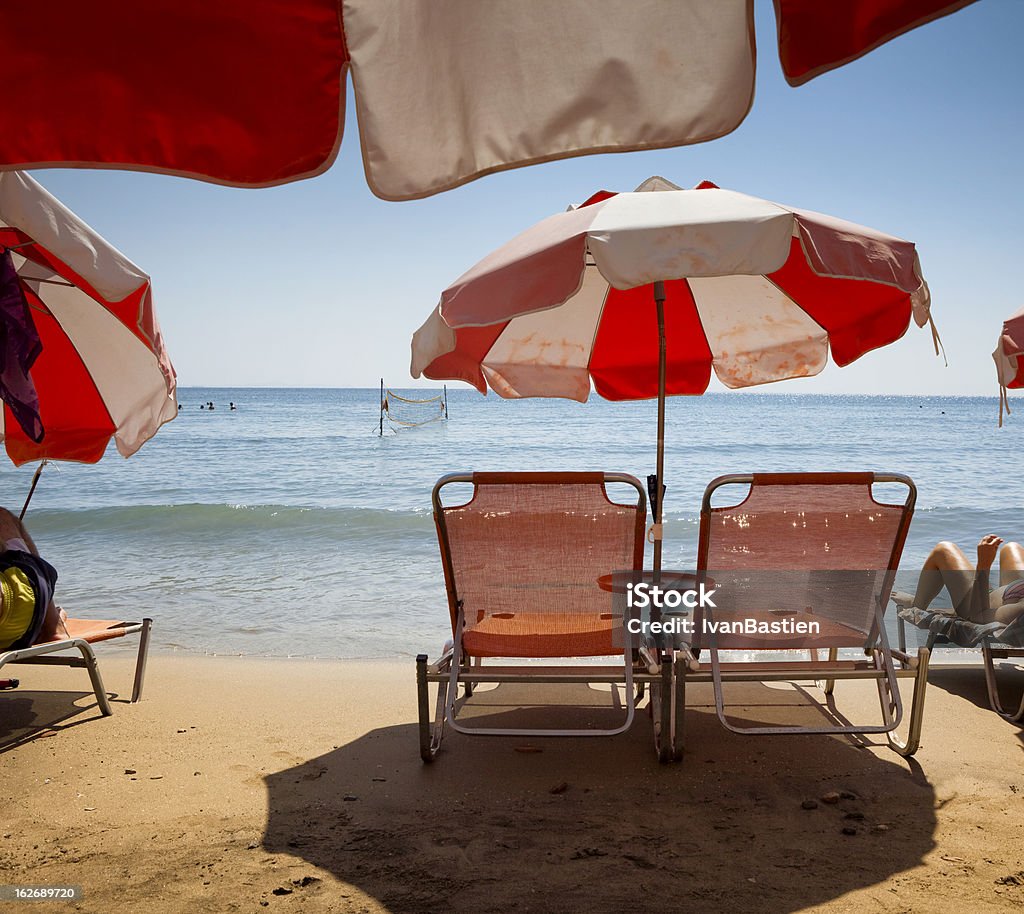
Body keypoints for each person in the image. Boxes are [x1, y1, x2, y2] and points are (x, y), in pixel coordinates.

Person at [909, 535, 1024, 626]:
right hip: (1013, 593)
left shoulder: (1019, 611)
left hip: (978, 604)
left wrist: (984, 564)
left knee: (943, 549)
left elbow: (979, 616)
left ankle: (916, 606)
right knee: (1012, 547)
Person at [0, 507, 63, 651]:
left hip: (16, 618)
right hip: (21, 623)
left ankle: (53, 625)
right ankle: (53, 625)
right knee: (2, 515)